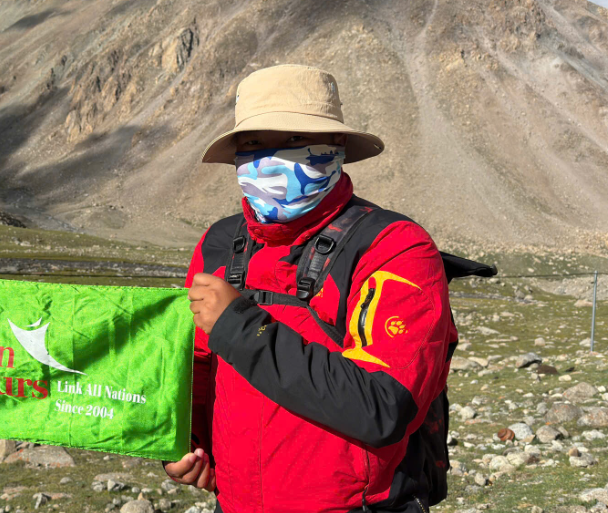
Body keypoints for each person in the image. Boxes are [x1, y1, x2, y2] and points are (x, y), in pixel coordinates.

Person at [165, 65, 457, 512]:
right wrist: (185, 443)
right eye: (253, 145)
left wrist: (242, 328)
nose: (269, 159)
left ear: (336, 147)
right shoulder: (218, 244)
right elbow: (199, 370)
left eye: (293, 142)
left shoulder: (395, 247)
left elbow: (384, 405)